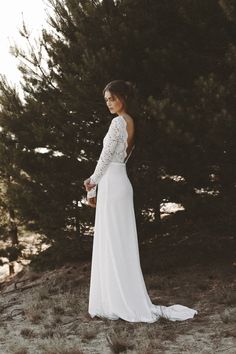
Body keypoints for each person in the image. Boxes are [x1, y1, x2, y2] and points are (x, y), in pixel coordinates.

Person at [83, 80, 198, 322]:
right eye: (106, 100)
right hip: (121, 182)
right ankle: (118, 297)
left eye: (112, 98)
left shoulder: (118, 123)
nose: (109, 104)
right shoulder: (131, 123)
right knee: (118, 243)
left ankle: (117, 300)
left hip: (113, 184)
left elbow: (104, 159)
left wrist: (91, 182)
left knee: (113, 242)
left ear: (123, 97)